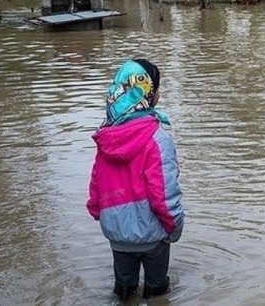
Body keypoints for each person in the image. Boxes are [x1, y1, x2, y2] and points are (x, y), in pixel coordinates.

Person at [86, 58, 185, 302]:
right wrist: (174, 228)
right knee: (157, 292)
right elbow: (164, 194)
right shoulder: (158, 139)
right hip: (153, 238)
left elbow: (96, 186)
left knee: (123, 291)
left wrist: (103, 215)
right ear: (149, 94)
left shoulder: (105, 138)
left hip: (118, 236)